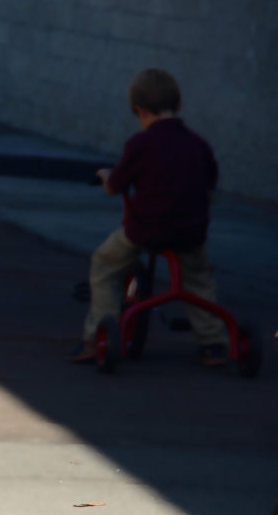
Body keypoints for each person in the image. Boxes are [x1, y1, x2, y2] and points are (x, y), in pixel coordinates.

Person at [69, 68, 228, 365]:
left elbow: (116, 186)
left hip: (146, 230)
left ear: (138, 110)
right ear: (178, 106)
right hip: (191, 233)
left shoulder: (141, 144)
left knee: (105, 264)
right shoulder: (199, 145)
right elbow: (210, 185)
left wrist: (106, 176)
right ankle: (213, 343)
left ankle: (96, 336)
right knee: (199, 278)